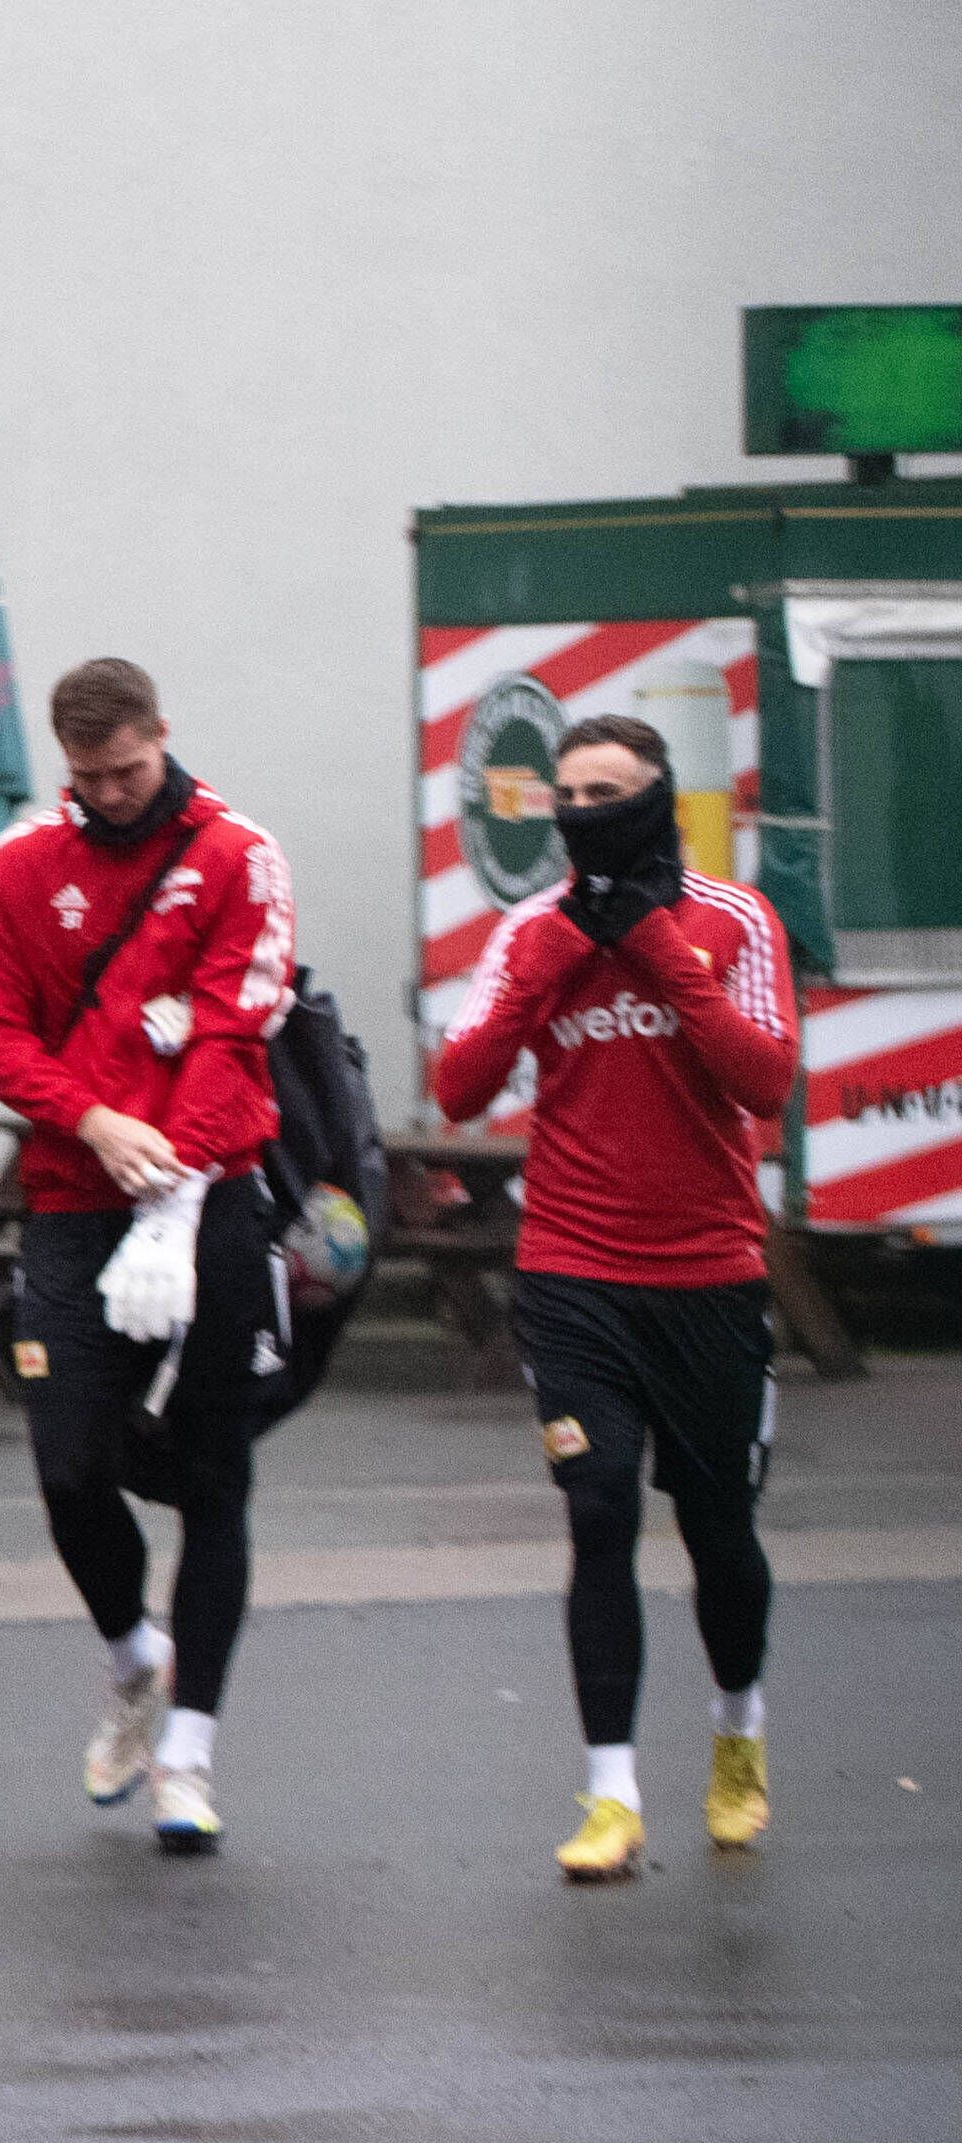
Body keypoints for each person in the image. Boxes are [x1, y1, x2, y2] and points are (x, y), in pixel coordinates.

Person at [430, 713, 797, 1881]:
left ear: (657, 798)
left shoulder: (732, 921)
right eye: (567, 796)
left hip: (707, 1275)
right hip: (572, 1270)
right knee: (596, 1512)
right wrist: (540, 973)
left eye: (607, 792)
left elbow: (763, 1080)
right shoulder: (531, 930)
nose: (583, 812)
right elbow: (457, 1089)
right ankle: (609, 1793)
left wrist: (657, 952)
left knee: (717, 1532)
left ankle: (735, 1732)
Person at [0, 657, 297, 1855]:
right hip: (71, 1197)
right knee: (66, 1464)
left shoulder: (240, 854)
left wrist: (175, 1188)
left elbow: (234, 1030)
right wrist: (92, 1122)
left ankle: (187, 1760)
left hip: (211, 1197)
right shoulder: (20, 865)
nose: (107, 795)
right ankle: (134, 1657)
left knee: (214, 1479)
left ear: (162, 735)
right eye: (86, 778)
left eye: (127, 771)